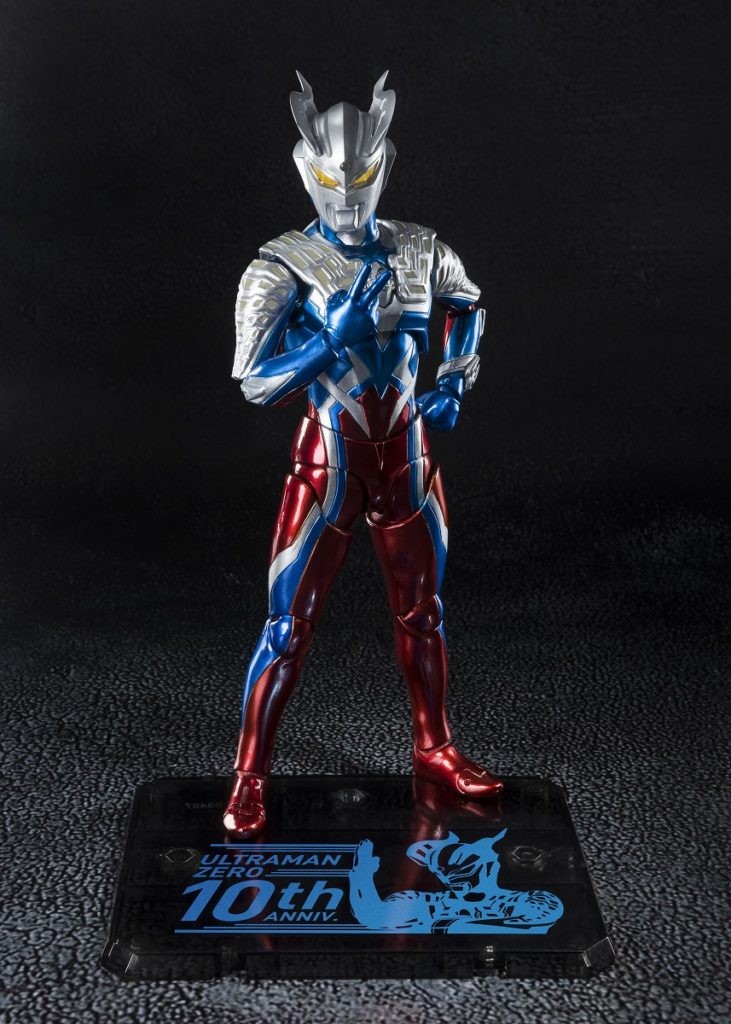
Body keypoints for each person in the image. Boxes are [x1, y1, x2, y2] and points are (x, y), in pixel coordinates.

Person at [224, 72, 502, 837]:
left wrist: (453, 380)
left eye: (360, 177)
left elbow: (468, 304)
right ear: (305, 172)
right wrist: (327, 340)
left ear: (384, 165)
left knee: (423, 614)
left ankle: (434, 750)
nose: (346, 197)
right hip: (327, 464)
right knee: (287, 628)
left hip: (406, 458)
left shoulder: (420, 248)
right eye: (330, 181)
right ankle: (249, 778)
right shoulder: (280, 266)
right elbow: (254, 382)